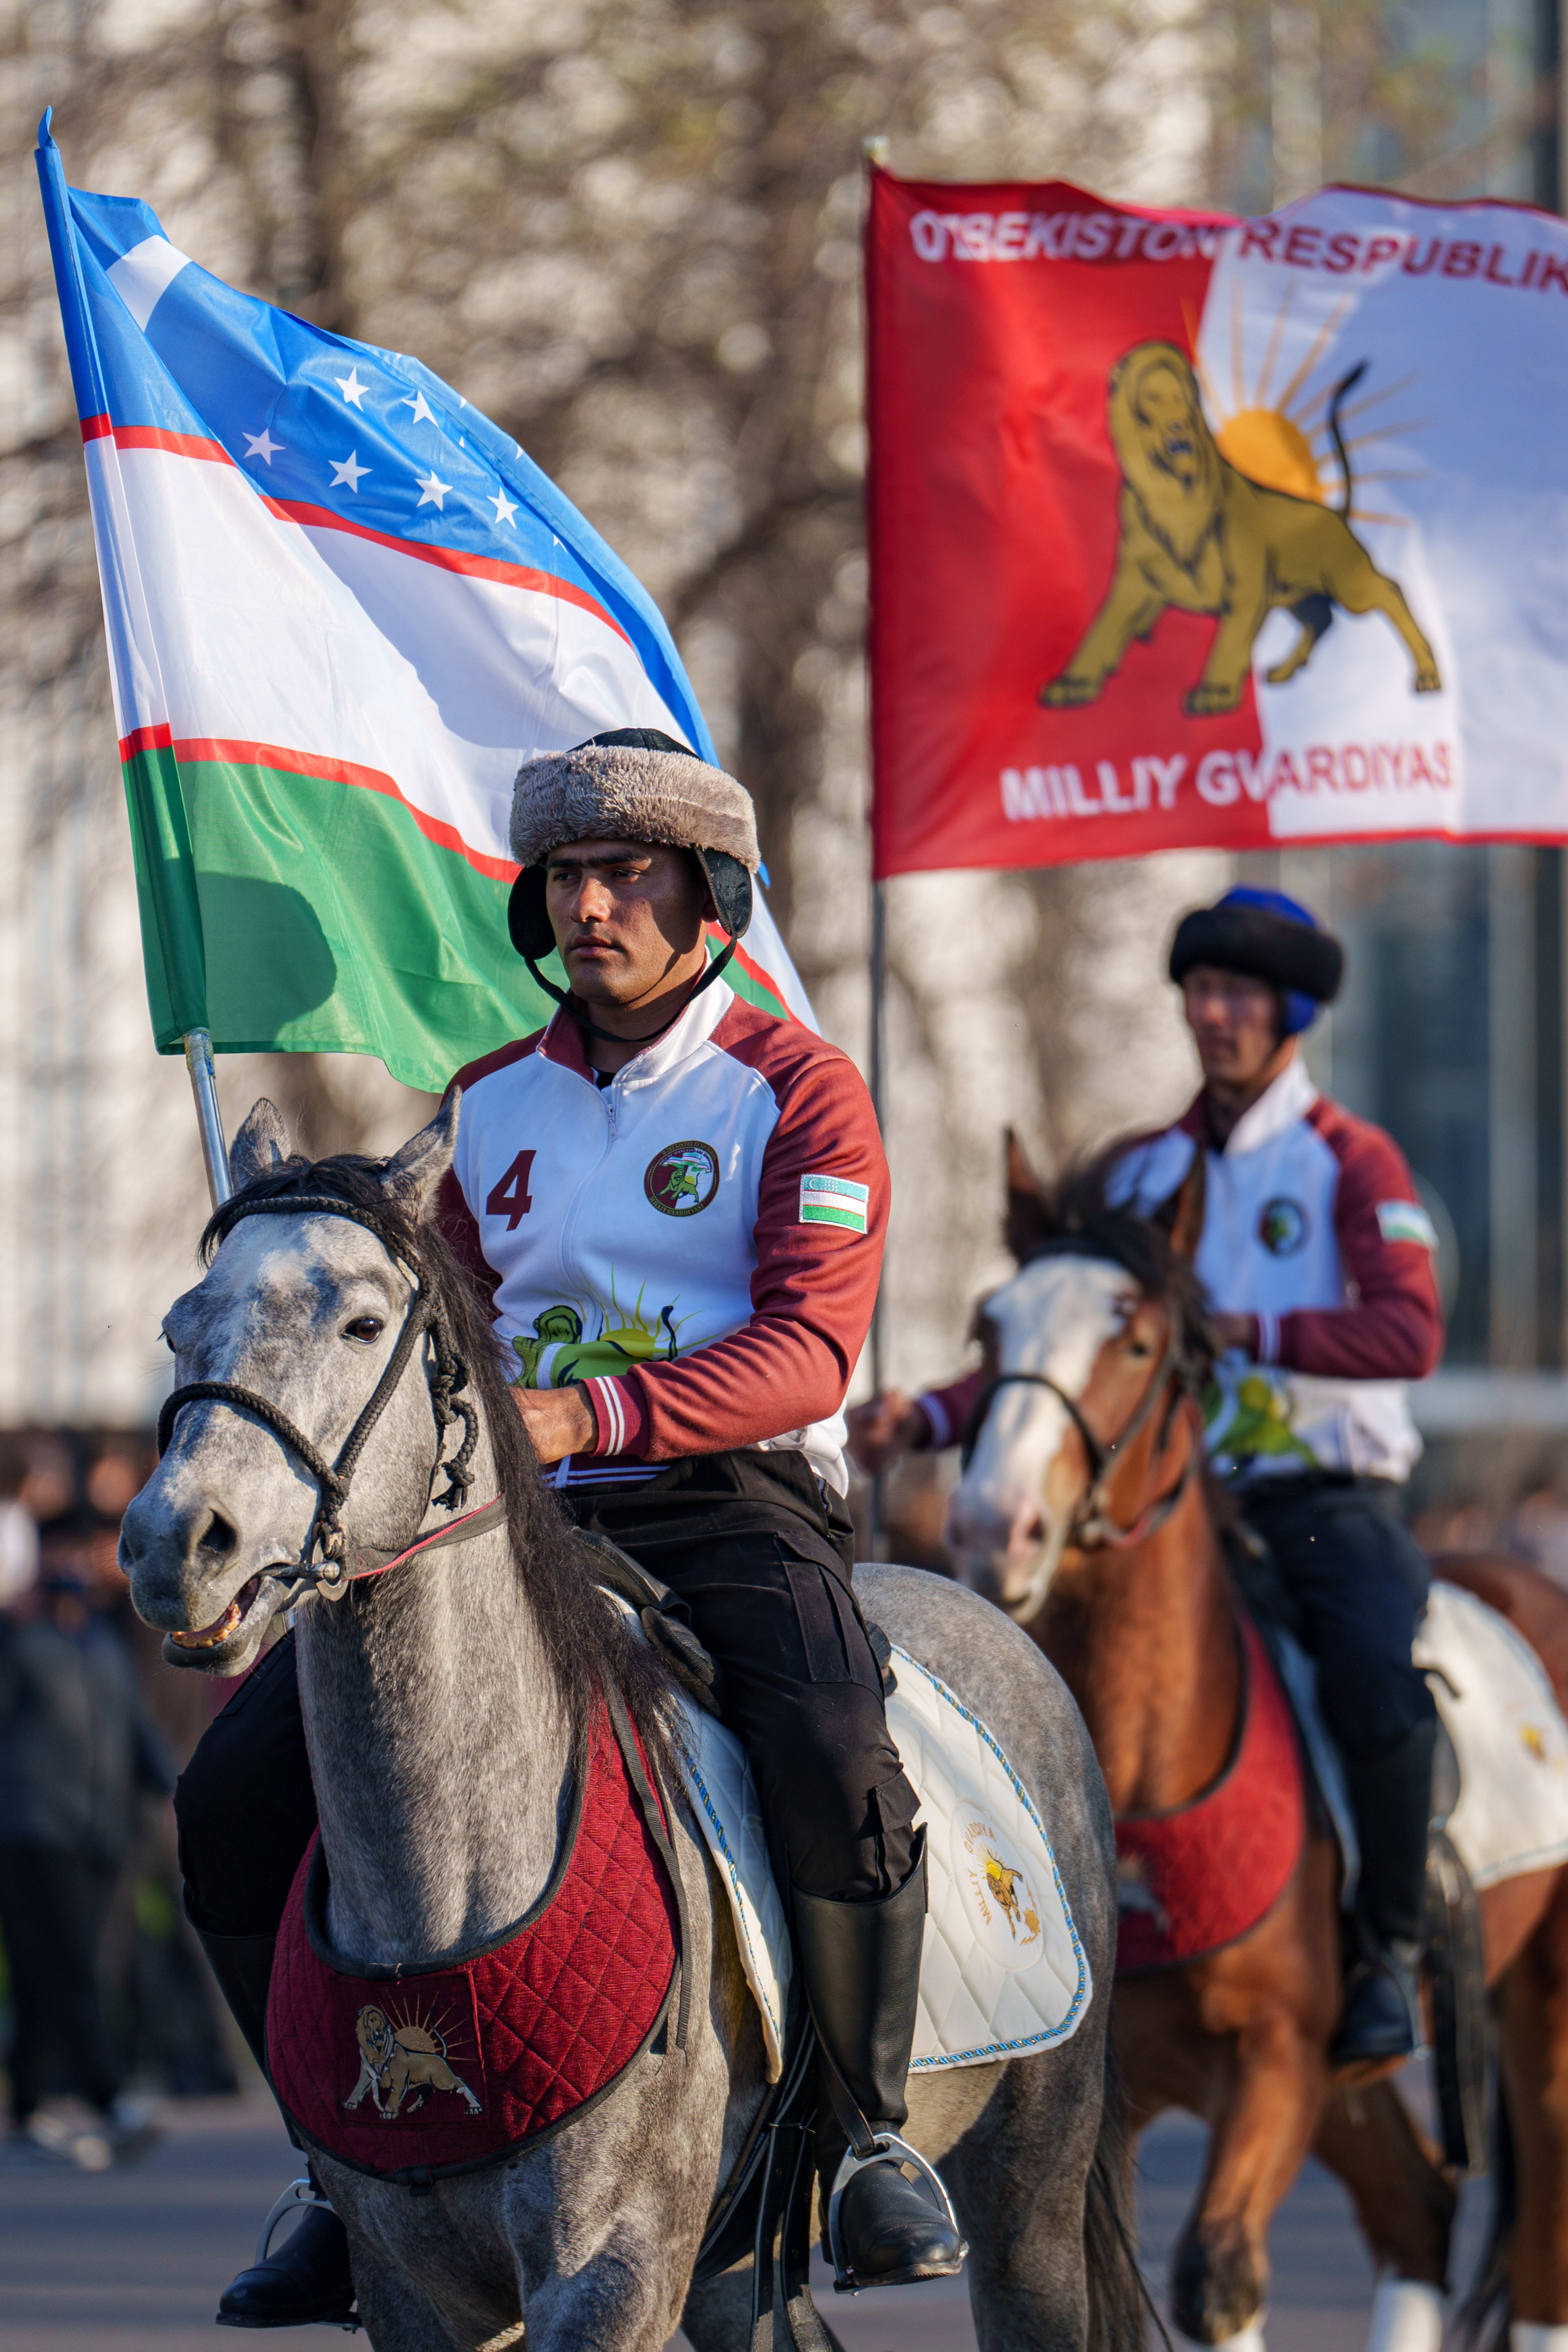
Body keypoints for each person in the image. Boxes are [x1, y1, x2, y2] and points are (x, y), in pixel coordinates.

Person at [177, 728, 963, 2326]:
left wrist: (587, 1416)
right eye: (566, 878)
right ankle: (338, 2166)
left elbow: (811, 1353)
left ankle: (867, 2136)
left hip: (731, 1504)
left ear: (710, 894)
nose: (590, 905)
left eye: (628, 874)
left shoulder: (802, 1090)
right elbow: (434, 1344)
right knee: (230, 1796)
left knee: (832, 1754)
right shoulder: (482, 1104)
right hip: (496, 1514)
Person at [852, 884, 1445, 2068]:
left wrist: (1238, 1330)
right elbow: (1061, 1352)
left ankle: (1387, 1946)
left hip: (1317, 1502)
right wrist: (931, 1414)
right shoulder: (1136, 1171)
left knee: (1378, 1677)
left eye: (1239, 994)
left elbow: (1411, 1332)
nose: (1212, 1014)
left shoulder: (1353, 1161)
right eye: (1200, 990)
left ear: (1293, 1014)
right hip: (1148, 1507)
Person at [0, 1540, 174, 2164]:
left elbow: (137, 1730)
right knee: (71, 1963)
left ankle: (27, 2104)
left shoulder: (106, 1648)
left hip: (98, 1833)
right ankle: (109, 2099)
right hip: (33, 1828)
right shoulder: (20, 1647)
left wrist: (173, 1790)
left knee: (44, 1968)